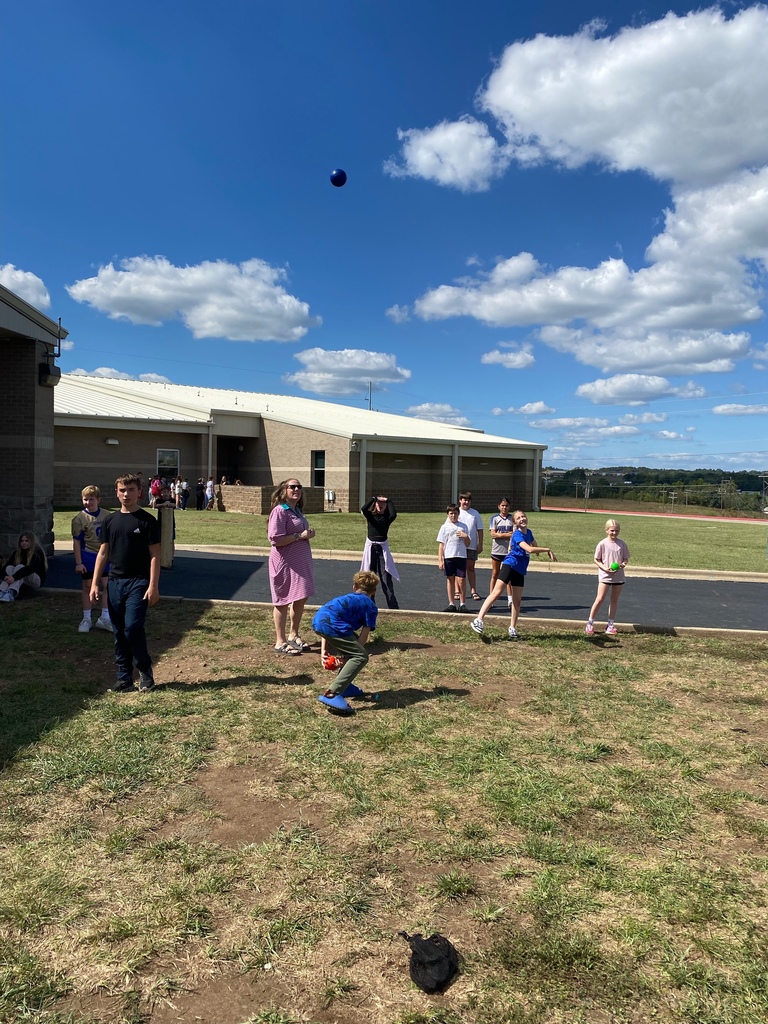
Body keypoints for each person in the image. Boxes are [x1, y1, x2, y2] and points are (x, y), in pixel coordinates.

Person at [90, 473, 160, 693]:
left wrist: (153, 586)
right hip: (115, 582)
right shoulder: (110, 521)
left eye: (130, 490)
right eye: (122, 490)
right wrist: (94, 584)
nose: (126, 494)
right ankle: (124, 679)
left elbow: (155, 555)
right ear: (116, 492)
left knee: (133, 627)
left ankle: (145, 672)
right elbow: (103, 553)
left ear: (139, 492)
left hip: (139, 582)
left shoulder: (147, 521)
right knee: (119, 631)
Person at [470, 510, 557, 639]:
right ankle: (478, 620)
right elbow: (529, 549)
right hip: (509, 565)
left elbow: (533, 543)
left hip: (520, 569)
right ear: (514, 522)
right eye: (518, 518)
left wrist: (538, 550)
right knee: (496, 593)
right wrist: (546, 550)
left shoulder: (529, 532)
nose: (522, 519)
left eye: (523, 516)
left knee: (517, 600)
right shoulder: (516, 535)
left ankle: (512, 628)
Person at [312, 570, 379, 714]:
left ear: (354, 588)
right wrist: (352, 656)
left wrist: (324, 650)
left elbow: (327, 621)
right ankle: (332, 694)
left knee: (351, 643)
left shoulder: (344, 599)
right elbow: (363, 637)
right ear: (373, 591)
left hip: (317, 622)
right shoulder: (370, 606)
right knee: (360, 656)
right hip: (333, 627)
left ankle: (346, 686)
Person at [268, 478, 316, 655]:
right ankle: (280, 642)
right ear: (283, 491)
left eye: (299, 487)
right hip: (284, 563)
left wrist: (307, 534)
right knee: (282, 600)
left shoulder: (296, 510)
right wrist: (299, 535)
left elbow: (299, 533)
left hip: (300, 563)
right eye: (292, 487)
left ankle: (293, 635)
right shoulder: (280, 511)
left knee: (301, 597)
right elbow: (275, 539)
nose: (296, 489)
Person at [71, 484, 112, 632]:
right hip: (88, 555)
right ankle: (87, 618)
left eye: (91, 499)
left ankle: (105, 617)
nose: (88, 502)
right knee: (87, 586)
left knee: (107, 585)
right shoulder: (80, 518)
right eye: (85, 499)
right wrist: (78, 562)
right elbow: (76, 542)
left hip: (105, 554)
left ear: (98, 500)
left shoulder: (107, 515)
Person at [586, 519, 630, 636]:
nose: (614, 533)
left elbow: (625, 558)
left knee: (614, 600)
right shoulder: (602, 544)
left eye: (616, 531)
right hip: (605, 576)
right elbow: (596, 559)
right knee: (600, 599)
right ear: (606, 530)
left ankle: (610, 624)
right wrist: (604, 568)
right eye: (612, 531)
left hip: (618, 577)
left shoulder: (622, 544)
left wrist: (623, 565)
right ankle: (590, 623)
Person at [361, 494, 400, 609]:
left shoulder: (387, 518)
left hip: (382, 550)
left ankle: (393, 607)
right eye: (379, 503)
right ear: (375, 504)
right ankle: (370, 605)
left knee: (386, 579)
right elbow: (363, 509)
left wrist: (389, 500)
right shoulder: (371, 516)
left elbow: (394, 514)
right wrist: (374, 498)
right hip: (371, 550)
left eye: (383, 503)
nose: (381, 505)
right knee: (369, 579)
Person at [437, 503, 470, 612]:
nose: (453, 516)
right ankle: (451, 603)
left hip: (461, 556)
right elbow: (441, 545)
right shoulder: (444, 527)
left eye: (455, 513)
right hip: (449, 556)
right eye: (451, 513)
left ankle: (462, 603)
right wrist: (440, 560)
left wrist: (465, 536)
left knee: (461, 580)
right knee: (450, 579)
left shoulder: (463, 526)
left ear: (458, 514)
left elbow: (468, 544)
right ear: (447, 514)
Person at [0, 532, 47, 602]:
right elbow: (6, 566)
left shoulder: (37, 553)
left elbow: (30, 569)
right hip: (21, 577)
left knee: (20, 567)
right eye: (22, 541)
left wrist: (14, 577)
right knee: (9, 568)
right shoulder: (17, 553)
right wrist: (5, 576)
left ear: (32, 542)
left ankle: (11, 592)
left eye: (26, 541)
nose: (24, 543)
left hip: (36, 580)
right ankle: (2, 591)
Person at [488, 498, 515, 609]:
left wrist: (501, 535)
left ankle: (510, 600)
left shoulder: (512, 518)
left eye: (506, 505)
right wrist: (506, 534)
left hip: (508, 551)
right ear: (499, 506)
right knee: (495, 574)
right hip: (496, 550)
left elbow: (514, 534)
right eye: (502, 505)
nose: (504, 508)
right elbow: (493, 534)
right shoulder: (494, 518)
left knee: (508, 577)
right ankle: (491, 599)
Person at [457, 491, 484, 601]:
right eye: (464, 500)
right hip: (458, 546)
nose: (466, 502)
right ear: (460, 500)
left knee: (470, 568)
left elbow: (480, 530)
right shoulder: (456, 512)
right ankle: (457, 591)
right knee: (458, 569)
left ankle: (473, 590)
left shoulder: (475, 513)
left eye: (468, 500)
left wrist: (480, 544)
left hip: (471, 546)